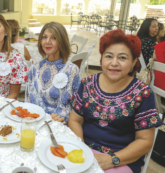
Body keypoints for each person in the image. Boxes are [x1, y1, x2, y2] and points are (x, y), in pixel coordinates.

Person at [68, 29, 163, 173]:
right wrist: (82, 147)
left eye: (122, 58)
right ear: (101, 60)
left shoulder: (142, 93)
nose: (114, 63)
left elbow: (145, 141)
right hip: (84, 148)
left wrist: (112, 160)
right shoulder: (87, 83)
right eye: (108, 56)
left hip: (121, 158)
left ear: (134, 62)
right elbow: (75, 120)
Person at [25, 22, 80, 124]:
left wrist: (58, 118)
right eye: (44, 37)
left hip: (58, 123)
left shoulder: (71, 70)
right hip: (35, 119)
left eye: (53, 38)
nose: (47, 41)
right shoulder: (35, 67)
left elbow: (71, 105)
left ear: (62, 41)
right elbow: (29, 98)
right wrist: (42, 116)